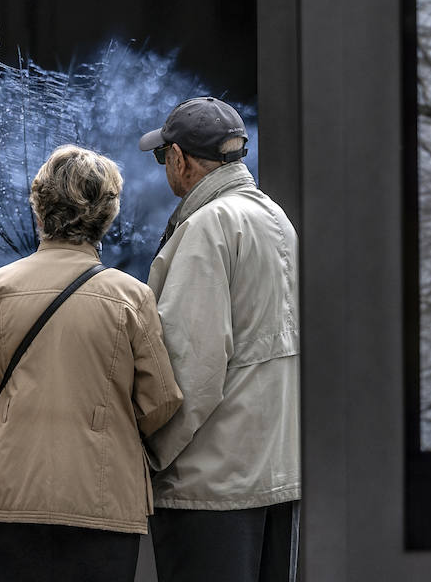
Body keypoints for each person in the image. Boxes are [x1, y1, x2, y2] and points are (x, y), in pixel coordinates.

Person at [0, 144, 183, 582]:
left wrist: (11, 421)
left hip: (4, 494)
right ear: (107, 215)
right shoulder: (132, 297)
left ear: (38, 209)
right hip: (101, 499)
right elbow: (160, 401)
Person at [137, 97, 300, 582]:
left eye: (162, 155)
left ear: (179, 158)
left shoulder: (208, 228)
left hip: (212, 489)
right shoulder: (277, 220)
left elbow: (190, 368)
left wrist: (148, 456)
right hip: (277, 477)